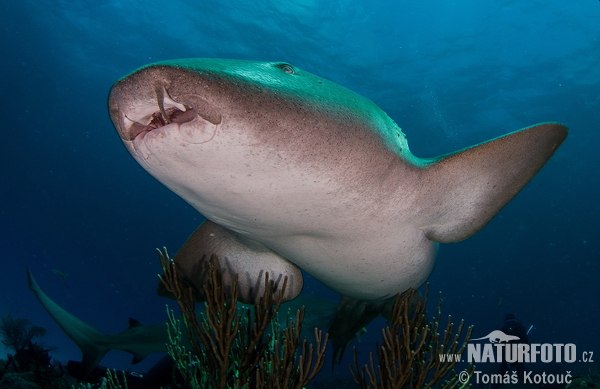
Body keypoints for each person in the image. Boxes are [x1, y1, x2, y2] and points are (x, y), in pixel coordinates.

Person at [491, 313, 530, 388]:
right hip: (507, 359)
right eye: (508, 323)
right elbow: (498, 347)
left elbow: (525, 343)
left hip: (519, 358)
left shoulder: (520, 330)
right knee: (499, 378)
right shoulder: (502, 332)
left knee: (522, 376)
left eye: (512, 322)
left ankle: (543, 385)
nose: (510, 325)